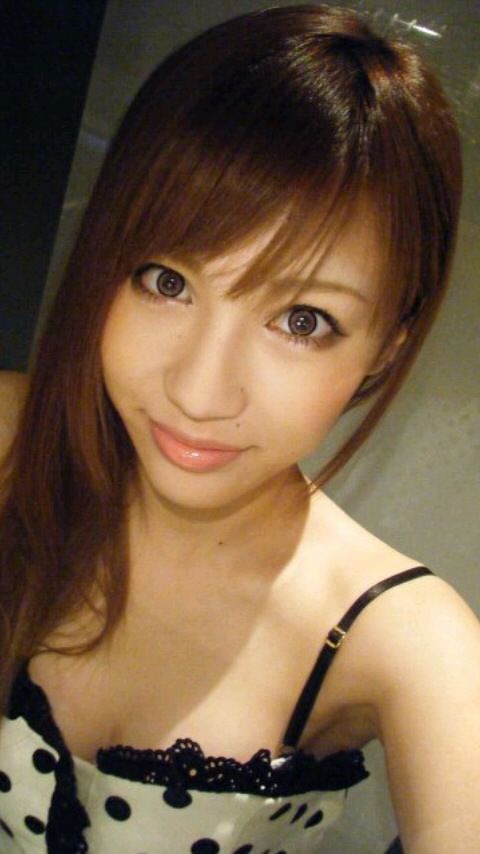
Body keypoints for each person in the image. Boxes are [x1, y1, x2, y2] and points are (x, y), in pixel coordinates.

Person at [0, 4, 479, 852]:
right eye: (166, 280)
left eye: (303, 320)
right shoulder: (12, 439)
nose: (199, 391)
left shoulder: (400, 638)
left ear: (386, 345)